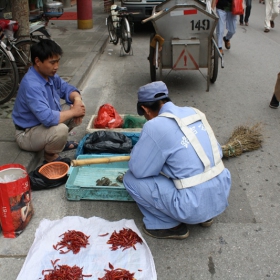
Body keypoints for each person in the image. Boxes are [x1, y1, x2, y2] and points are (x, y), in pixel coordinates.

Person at [123, 81, 231, 240]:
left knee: (130, 179)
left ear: (145, 109)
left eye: (145, 115)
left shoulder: (155, 126)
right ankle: (206, 215)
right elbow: (218, 152)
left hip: (192, 205)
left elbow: (139, 170)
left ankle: (170, 225)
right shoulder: (195, 112)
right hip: (221, 192)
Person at [12, 39, 86, 163]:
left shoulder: (49, 75)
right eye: (52, 62)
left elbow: (68, 89)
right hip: (27, 133)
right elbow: (48, 118)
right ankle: (50, 156)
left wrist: (77, 101)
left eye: (57, 61)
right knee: (61, 129)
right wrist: (74, 112)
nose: (56, 66)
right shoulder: (31, 85)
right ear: (38, 61)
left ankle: (58, 144)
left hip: (42, 125)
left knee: (78, 105)